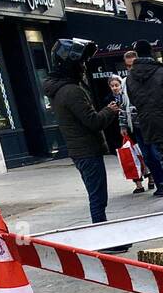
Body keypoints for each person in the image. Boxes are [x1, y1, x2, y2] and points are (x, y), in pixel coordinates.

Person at [43, 39, 121, 224]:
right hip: (87, 150)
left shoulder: (61, 89)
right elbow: (93, 121)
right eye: (81, 63)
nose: (84, 67)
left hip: (80, 150)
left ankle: (103, 232)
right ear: (71, 65)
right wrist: (109, 111)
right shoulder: (71, 91)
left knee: (96, 194)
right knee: (98, 197)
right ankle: (103, 235)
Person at [123, 40, 163, 203]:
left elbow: (133, 100)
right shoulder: (161, 72)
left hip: (146, 122)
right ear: (151, 52)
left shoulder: (130, 77)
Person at [122, 48, 163, 195]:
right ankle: (161, 184)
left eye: (132, 64)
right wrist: (123, 124)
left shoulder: (149, 76)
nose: (131, 68)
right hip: (137, 125)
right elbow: (124, 103)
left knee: (156, 154)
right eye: (127, 66)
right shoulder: (126, 81)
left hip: (152, 122)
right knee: (147, 157)